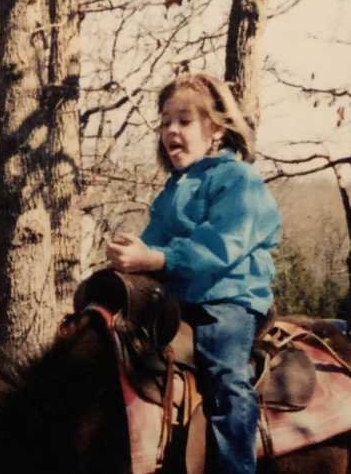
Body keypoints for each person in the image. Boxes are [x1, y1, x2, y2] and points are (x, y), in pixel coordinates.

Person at [106, 72, 281, 474]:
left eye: (184, 120)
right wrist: (132, 260)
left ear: (216, 129)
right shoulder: (174, 188)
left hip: (227, 300)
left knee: (224, 374)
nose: (171, 130)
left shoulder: (240, 181)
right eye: (165, 121)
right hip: (179, 300)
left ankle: (236, 465)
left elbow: (222, 244)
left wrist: (158, 260)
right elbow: (155, 242)